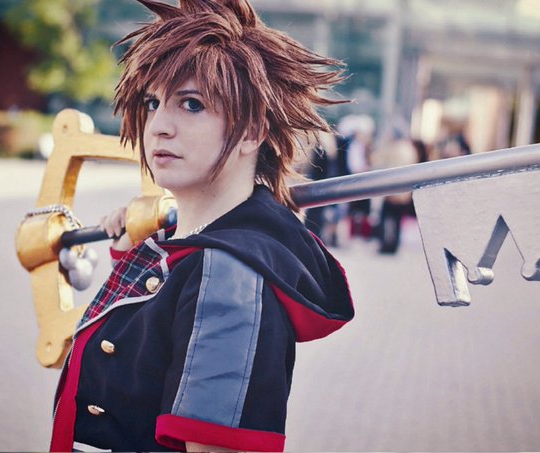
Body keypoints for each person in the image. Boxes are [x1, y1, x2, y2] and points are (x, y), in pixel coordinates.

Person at [49, 1, 355, 451]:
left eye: (191, 104)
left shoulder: (228, 277)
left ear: (252, 132)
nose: (158, 126)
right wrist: (135, 248)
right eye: (153, 103)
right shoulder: (182, 253)